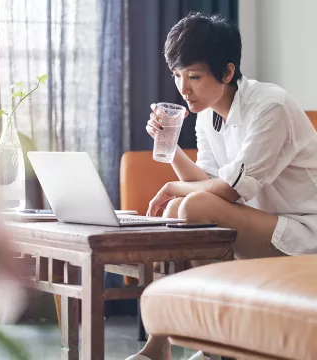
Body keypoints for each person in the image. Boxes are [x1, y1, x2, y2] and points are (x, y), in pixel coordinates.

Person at [126, 12, 317, 360]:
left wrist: (175, 188)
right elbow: (205, 182)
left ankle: (211, 347)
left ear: (227, 72)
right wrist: (169, 146)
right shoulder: (205, 113)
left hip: (304, 231)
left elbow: (227, 191)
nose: (183, 89)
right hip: (259, 224)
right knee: (179, 208)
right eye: (177, 76)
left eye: (194, 77)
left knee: (191, 206)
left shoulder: (268, 106)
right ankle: (164, 345)